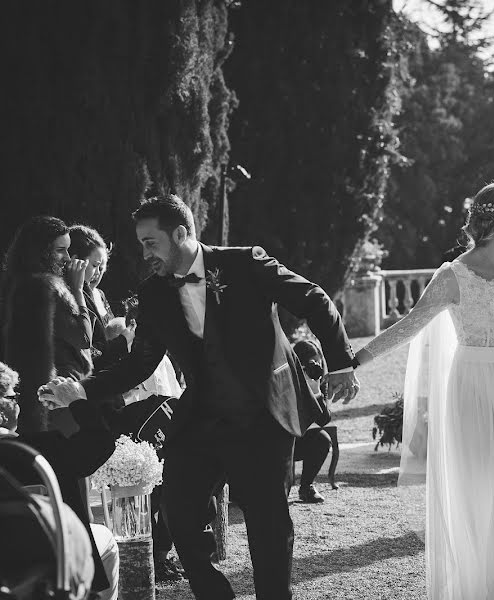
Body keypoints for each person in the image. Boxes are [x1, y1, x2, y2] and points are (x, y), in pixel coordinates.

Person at [42, 194, 361, 600]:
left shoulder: (245, 263)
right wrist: (82, 388)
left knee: (268, 525)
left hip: (265, 415)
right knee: (177, 512)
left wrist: (340, 363)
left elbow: (314, 299)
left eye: (150, 242)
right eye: (141, 243)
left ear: (181, 234)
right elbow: (138, 365)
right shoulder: (154, 293)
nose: (144, 253)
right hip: (203, 418)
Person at [354, 182, 494, 599]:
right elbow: (409, 325)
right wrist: (357, 358)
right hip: (477, 388)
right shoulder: (452, 277)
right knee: (482, 494)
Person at [0, 361, 118, 599]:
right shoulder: (40, 452)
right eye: (15, 396)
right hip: (50, 563)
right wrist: (75, 401)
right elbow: (100, 442)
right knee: (107, 540)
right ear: (2, 410)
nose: (19, 402)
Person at [0, 216, 92, 434]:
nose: (68, 258)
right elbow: (85, 338)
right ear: (41, 250)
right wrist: (78, 290)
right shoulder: (46, 288)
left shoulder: (12, 283)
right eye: (61, 250)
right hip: (52, 398)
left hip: (18, 396)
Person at [68, 225, 132, 371]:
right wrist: (122, 341)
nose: (98, 273)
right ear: (76, 261)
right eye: (95, 265)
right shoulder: (72, 296)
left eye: (102, 269)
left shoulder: (100, 295)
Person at [290, 339, 332, 504]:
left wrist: (315, 391)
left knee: (322, 439)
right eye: (310, 363)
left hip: (301, 438)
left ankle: (306, 487)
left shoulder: (318, 379)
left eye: (318, 361)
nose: (315, 366)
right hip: (281, 438)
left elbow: (324, 420)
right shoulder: (287, 377)